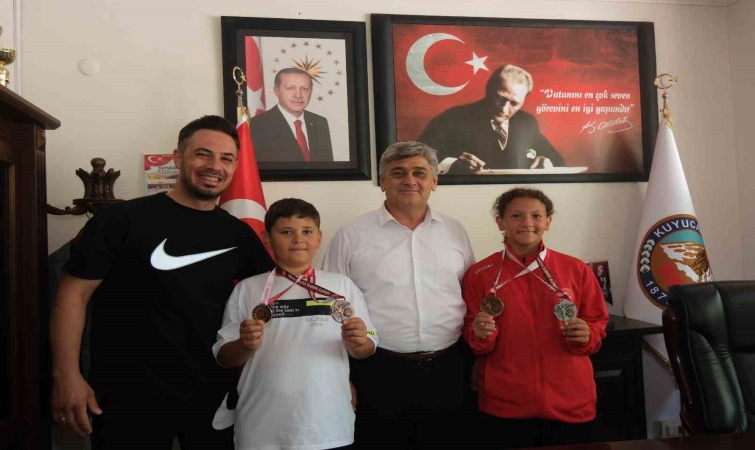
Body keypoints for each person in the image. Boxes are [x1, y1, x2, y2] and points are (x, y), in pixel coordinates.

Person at [49, 115, 274, 449]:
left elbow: (274, 298)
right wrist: (66, 375)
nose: (215, 166)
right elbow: (73, 294)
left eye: (226, 158)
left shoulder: (239, 235)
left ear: (235, 166)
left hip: (211, 395)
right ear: (178, 158)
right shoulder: (121, 220)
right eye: (203, 154)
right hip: (127, 397)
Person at [322, 141, 475, 449]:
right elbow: (331, 307)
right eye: (398, 173)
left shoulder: (455, 231)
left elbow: (470, 293)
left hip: (448, 369)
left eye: (420, 173)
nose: (409, 180)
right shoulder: (352, 234)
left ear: (434, 181)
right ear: (382, 182)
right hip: (379, 372)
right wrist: (341, 377)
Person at [214, 198, 377, 449]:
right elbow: (224, 357)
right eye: (286, 232)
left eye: (307, 231)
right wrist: (244, 345)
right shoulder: (247, 289)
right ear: (267, 239)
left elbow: (368, 345)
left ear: (319, 238)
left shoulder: (343, 286)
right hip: (261, 427)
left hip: (328, 426)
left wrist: (359, 341)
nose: (298, 239)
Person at [462, 187, 608, 449]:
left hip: (571, 400)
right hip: (506, 405)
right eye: (516, 216)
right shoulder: (479, 274)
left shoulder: (576, 269)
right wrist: (480, 334)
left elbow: (597, 324)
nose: (527, 223)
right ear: (500, 222)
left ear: (548, 222)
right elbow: (471, 334)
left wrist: (587, 335)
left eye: (536, 216)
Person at [419, 64, 564, 174]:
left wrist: (547, 162)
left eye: (514, 103)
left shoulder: (526, 122)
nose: (504, 109)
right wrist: (453, 164)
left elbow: (557, 160)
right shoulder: (453, 119)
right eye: (500, 98)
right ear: (488, 90)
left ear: (523, 101)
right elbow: (421, 156)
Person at [251, 67, 334, 162]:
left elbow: (327, 166)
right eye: (290, 88)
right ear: (277, 91)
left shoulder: (319, 122)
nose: (298, 95)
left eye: (304, 89)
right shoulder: (257, 125)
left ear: (311, 91)